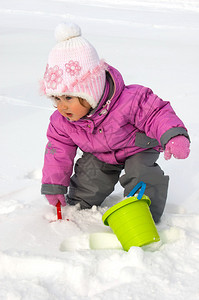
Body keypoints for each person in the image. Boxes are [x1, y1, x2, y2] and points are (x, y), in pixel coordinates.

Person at [40, 22, 190, 223]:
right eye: (56, 99)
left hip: (138, 148)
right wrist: (54, 186)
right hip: (100, 154)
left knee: (141, 176)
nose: (62, 107)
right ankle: (79, 210)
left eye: (69, 98)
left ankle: (144, 212)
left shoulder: (129, 99)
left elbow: (157, 114)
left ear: (90, 93)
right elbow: (57, 152)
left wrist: (174, 135)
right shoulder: (62, 122)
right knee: (88, 182)